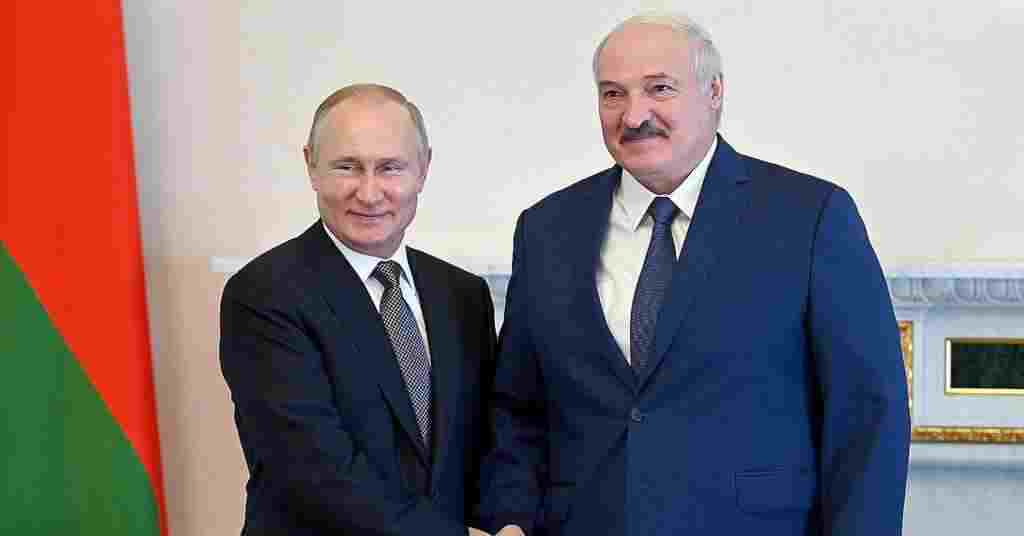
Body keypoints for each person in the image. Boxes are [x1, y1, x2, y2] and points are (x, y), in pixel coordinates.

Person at [477, 13, 910, 536]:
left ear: (714, 92)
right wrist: (510, 519)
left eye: (659, 88)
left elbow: (867, 415)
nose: (634, 115)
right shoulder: (547, 229)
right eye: (613, 94)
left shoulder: (809, 218)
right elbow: (518, 410)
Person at [220, 84, 496, 535]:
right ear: (311, 165)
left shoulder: (462, 295)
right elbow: (313, 470)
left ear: (424, 169)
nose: (369, 193)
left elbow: (484, 444)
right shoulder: (265, 294)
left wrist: (509, 522)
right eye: (347, 167)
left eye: (390, 168)